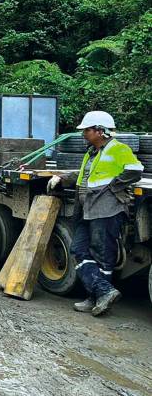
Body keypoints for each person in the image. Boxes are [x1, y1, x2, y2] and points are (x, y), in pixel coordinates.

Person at [46, 111, 143, 316]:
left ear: (101, 131)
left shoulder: (119, 149)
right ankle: (103, 291)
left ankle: (97, 298)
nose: (84, 134)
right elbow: (85, 176)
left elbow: (135, 170)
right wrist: (62, 178)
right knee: (79, 250)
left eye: (87, 130)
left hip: (107, 209)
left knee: (102, 255)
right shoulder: (92, 152)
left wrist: (114, 186)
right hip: (87, 209)